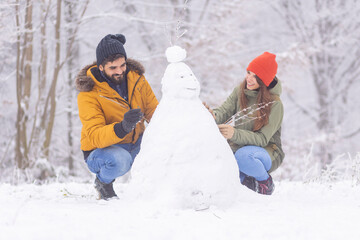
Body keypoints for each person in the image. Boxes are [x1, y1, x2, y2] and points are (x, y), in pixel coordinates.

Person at [75, 34, 158, 200]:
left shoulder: (137, 80)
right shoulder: (89, 93)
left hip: (136, 142)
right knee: (120, 160)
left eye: (122, 65)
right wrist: (123, 127)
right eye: (113, 68)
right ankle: (103, 183)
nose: (120, 71)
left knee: (162, 148)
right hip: (103, 151)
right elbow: (95, 135)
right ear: (101, 67)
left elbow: (154, 112)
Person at [204, 52, 284, 195]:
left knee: (243, 157)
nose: (249, 78)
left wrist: (234, 134)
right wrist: (212, 115)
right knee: (224, 171)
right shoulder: (240, 91)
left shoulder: (275, 104)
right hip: (240, 148)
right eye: (248, 72)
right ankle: (248, 181)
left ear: (264, 80)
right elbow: (224, 111)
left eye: (255, 76)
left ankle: (265, 182)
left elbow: (262, 139)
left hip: (266, 151)